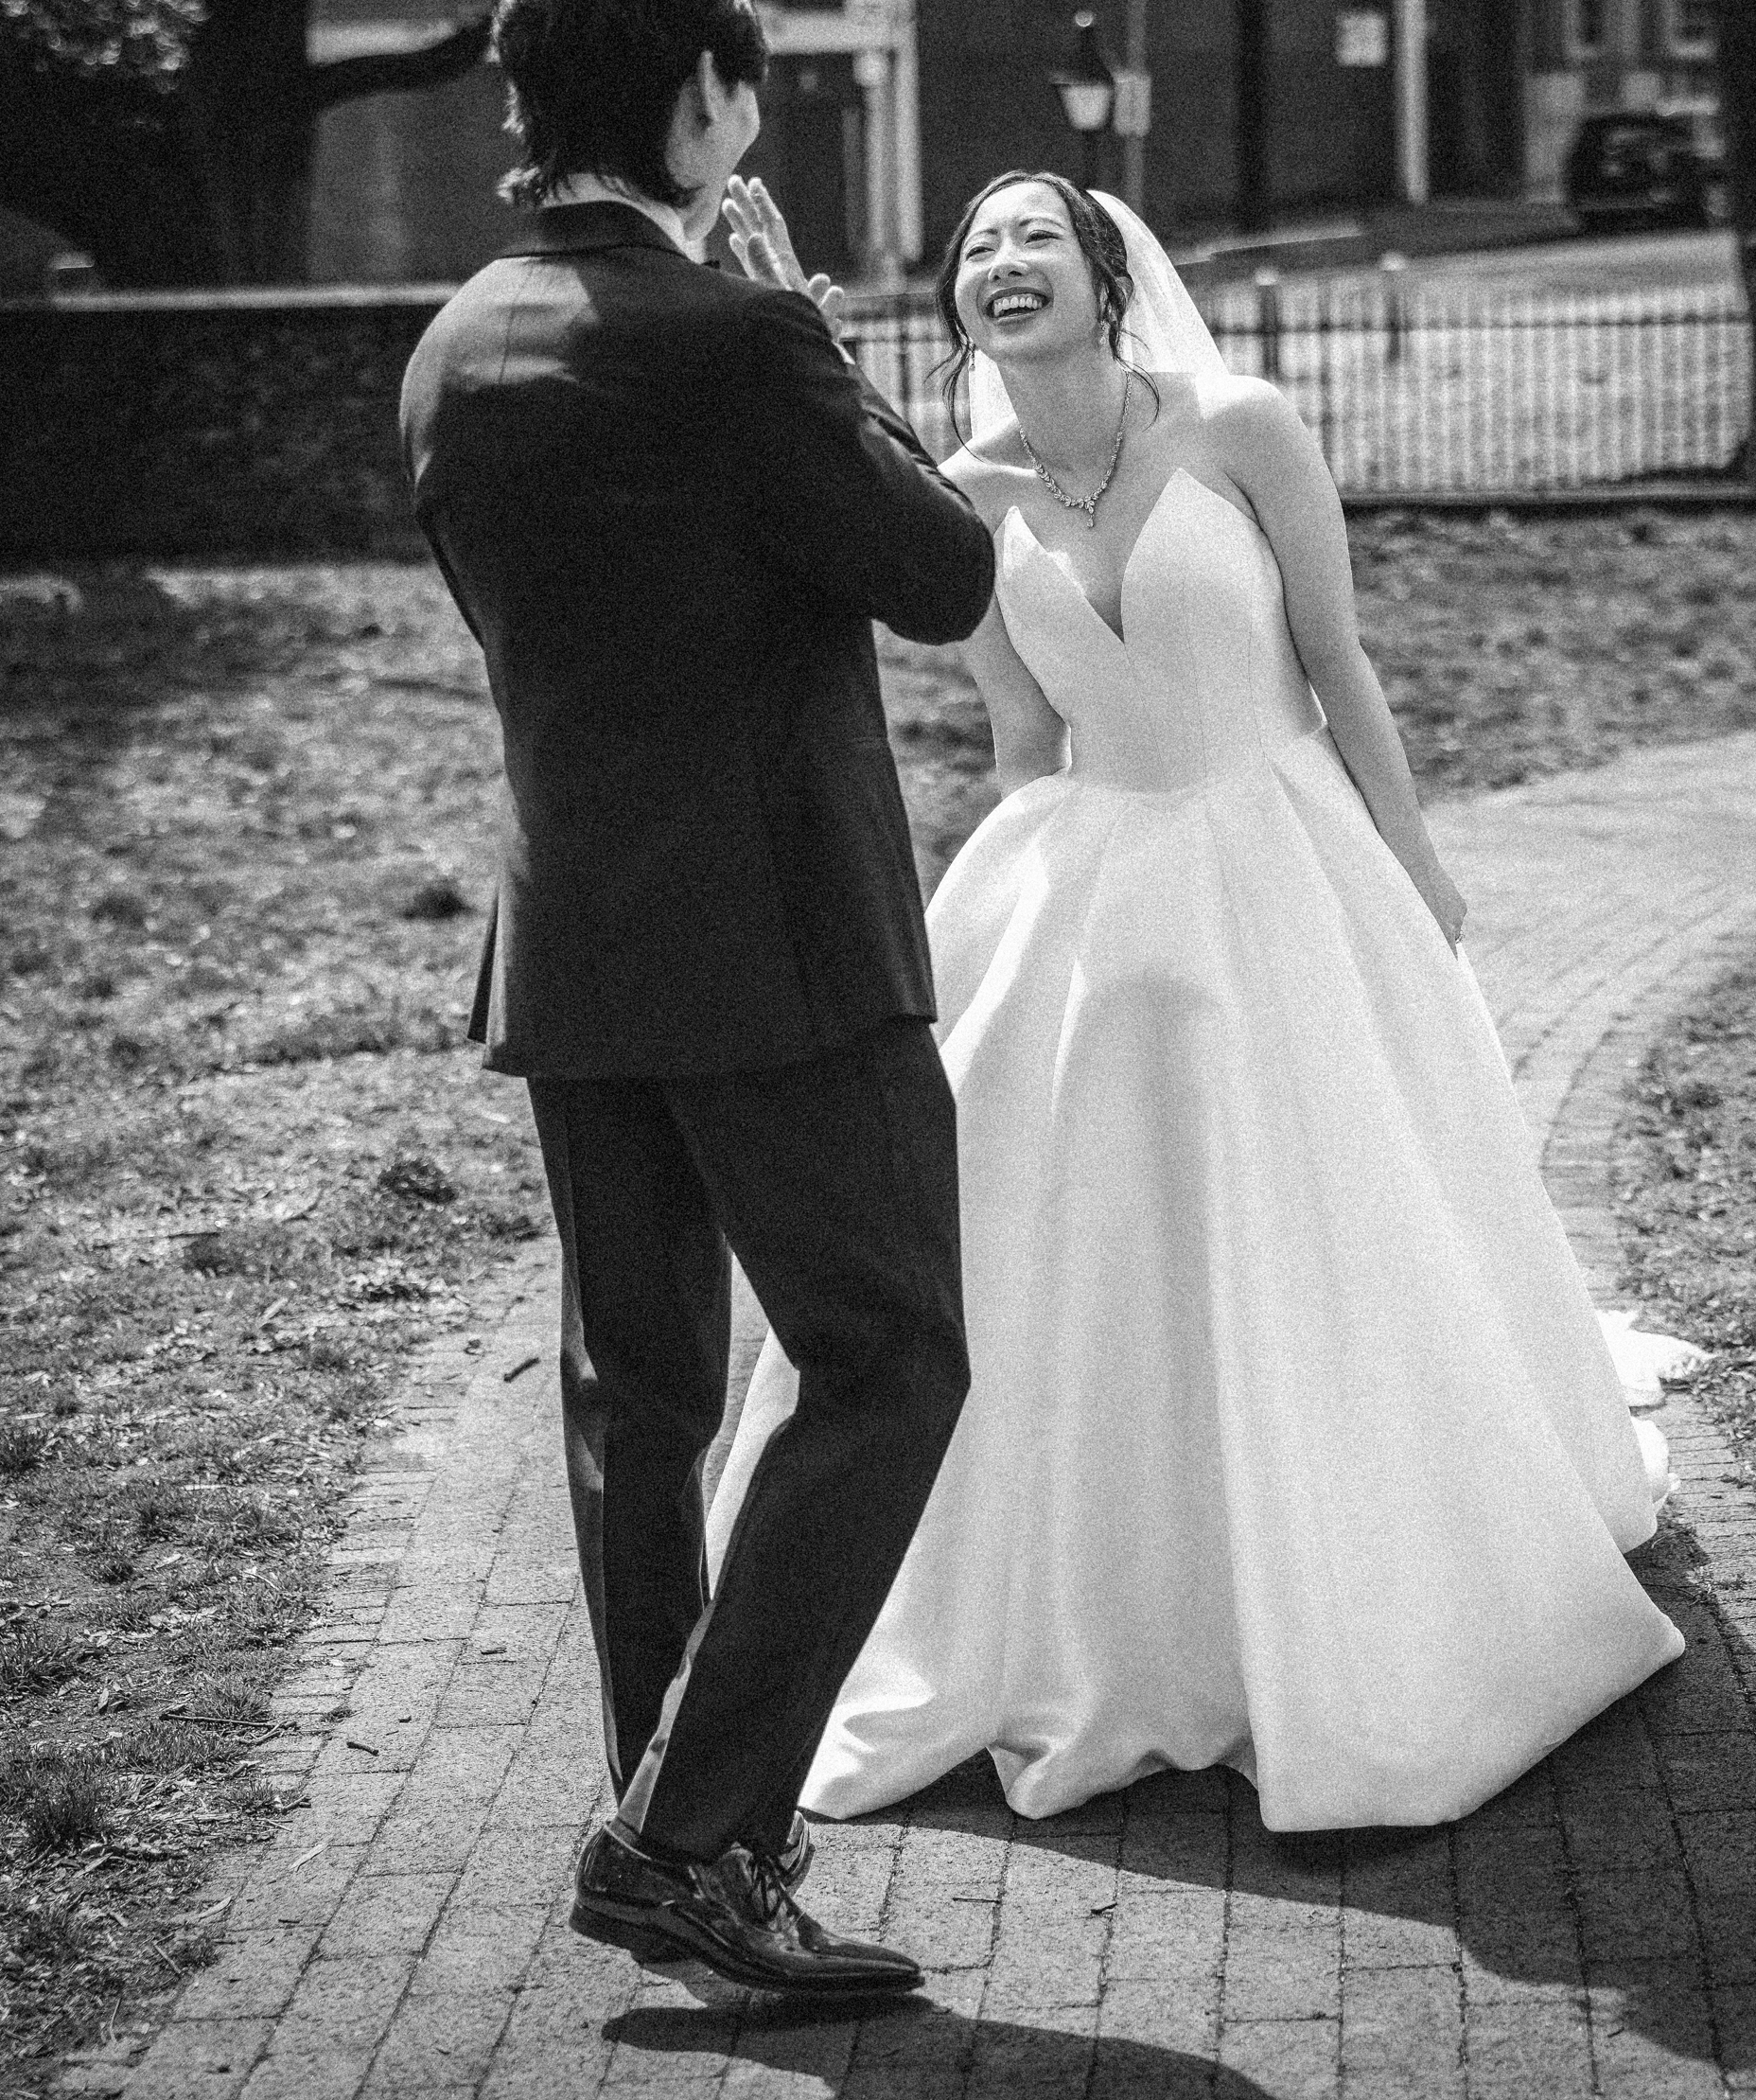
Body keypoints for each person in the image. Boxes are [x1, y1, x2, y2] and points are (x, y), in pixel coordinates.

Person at [710, 171, 1699, 1832]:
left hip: (1282, 854)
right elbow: (1024, 737)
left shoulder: (1241, 427)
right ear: (956, 309)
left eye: (1035, 237)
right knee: (1073, 1241)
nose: (1001, 262)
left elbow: (1339, 658)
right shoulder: (962, 492)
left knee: (1332, 1211)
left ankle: (1364, 1559)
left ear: (1110, 280)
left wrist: (1415, 863)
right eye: (973, 250)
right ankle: (1115, 1597)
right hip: (1094, 870)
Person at [397, 0, 994, 1992]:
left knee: (636, 1398)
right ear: (694, 102)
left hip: (578, 941)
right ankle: (687, 1828)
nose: (748, 123)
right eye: (739, 92)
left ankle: (688, 1843)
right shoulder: (737, 335)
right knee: (893, 1352)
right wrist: (806, 336)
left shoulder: (455, 339)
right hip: (781, 948)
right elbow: (939, 571)